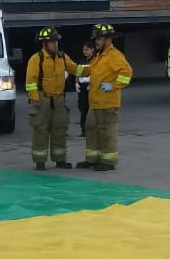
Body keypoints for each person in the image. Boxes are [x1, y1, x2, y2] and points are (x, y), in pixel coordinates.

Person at [24, 26, 86, 170]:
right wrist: (35, 98)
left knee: (60, 130)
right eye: (52, 41)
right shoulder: (36, 59)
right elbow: (30, 81)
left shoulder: (62, 57)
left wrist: (93, 68)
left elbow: (75, 68)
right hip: (42, 99)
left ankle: (60, 159)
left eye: (56, 41)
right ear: (44, 43)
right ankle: (40, 161)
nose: (55, 44)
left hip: (59, 99)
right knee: (40, 131)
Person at [80, 23, 133, 172]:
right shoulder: (99, 56)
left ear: (107, 39)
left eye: (98, 39)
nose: (96, 42)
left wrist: (113, 86)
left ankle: (108, 161)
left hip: (108, 103)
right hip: (95, 103)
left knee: (107, 132)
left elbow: (127, 72)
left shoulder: (114, 55)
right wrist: (70, 67)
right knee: (91, 130)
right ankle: (92, 159)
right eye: (96, 39)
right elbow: (89, 70)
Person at [75, 40, 96, 141]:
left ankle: (93, 130)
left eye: (87, 49)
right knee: (83, 109)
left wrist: (92, 84)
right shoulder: (82, 61)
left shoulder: (96, 60)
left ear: (92, 49)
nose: (85, 52)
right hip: (82, 88)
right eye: (83, 50)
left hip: (92, 87)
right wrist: (76, 83)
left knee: (92, 110)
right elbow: (78, 73)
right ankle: (84, 130)